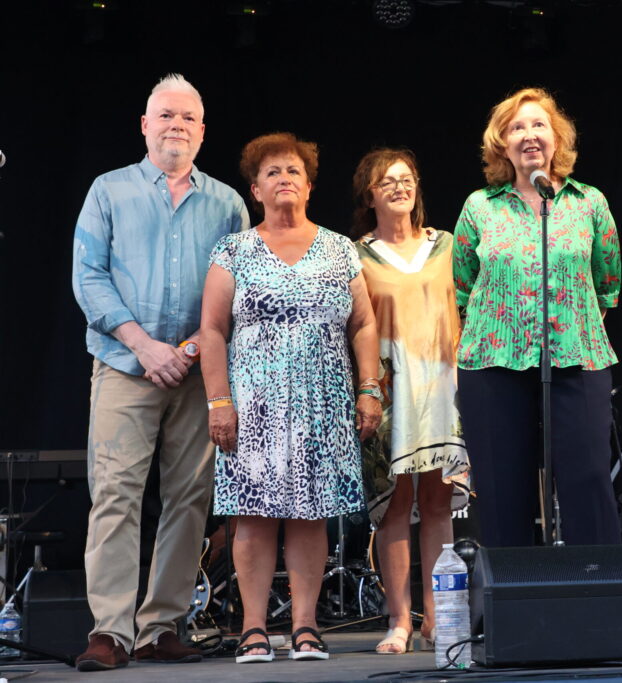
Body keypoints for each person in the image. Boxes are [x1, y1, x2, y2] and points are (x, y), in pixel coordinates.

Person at [71, 73, 249, 672]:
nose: (177, 125)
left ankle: (161, 627)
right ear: (144, 125)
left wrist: (190, 351)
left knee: (190, 498)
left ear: (202, 131)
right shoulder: (108, 190)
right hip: (125, 366)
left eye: (188, 117)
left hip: (198, 374)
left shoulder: (227, 203)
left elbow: (237, 291)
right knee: (115, 495)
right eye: (166, 115)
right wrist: (146, 347)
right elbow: (88, 277)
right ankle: (110, 632)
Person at [199, 132, 382, 663]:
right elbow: (212, 329)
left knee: (311, 514)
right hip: (253, 406)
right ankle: (253, 629)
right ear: (255, 190)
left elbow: (364, 323)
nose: (284, 179)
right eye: (272, 172)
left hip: (322, 404)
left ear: (309, 186)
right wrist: (219, 401)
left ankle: (305, 626)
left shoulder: (339, 249)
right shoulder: (234, 250)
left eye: (293, 171)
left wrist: (369, 388)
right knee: (253, 516)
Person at [452, 87, 621, 548]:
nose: (529, 135)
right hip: (493, 361)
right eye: (516, 128)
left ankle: (596, 586)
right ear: (502, 144)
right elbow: (464, 284)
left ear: (556, 138)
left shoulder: (589, 202)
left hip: (577, 357)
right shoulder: (479, 206)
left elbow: (607, 281)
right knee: (503, 491)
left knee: (588, 482)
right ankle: (512, 590)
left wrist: (572, 325)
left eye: (538, 125)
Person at [350, 147, 471, 654]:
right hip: (390, 389)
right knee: (395, 506)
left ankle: (438, 618)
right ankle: (399, 620)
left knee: (439, 503)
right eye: (387, 181)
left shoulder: (447, 245)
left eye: (407, 179)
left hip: (443, 386)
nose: (400, 188)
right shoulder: (357, 255)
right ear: (369, 196)